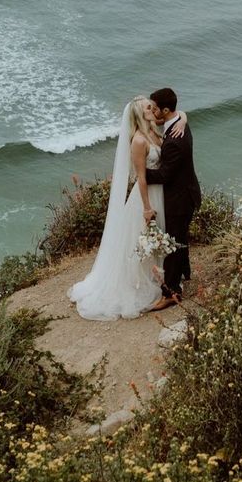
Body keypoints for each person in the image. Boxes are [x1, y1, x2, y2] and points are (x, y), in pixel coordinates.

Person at [68, 97, 186, 320]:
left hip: (162, 192)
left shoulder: (153, 130)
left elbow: (176, 116)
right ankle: (141, 282)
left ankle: (162, 279)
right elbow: (141, 178)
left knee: (160, 237)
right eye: (148, 107)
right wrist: (146, 207)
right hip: (147, 196)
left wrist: (183, 118)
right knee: (142, 241)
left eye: (152, 105)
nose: (153, 109)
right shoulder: (139, 141)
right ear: (140, 114)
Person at [144, 87, 201, 312]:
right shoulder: (177, 122)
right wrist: (184, 117)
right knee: (180, 237)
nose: (153, 112)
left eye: (155, 109)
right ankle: (185, 272)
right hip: (186, 193)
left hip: (180, 198)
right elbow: (181, 114)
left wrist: (139, 173)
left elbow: (164, 175)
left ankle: (171, 293)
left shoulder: (175, 140)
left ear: (166, 110)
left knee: (173, 245)